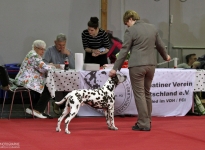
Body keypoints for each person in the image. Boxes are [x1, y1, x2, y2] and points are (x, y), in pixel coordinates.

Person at [109, 10, 171, 131]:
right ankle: (147, 120)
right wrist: (166, 56)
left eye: (127, 23)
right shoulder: (152, 28)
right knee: (147, 93)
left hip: (137, 66)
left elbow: (124, 50)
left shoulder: (131, 30)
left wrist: (115, 68)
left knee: (140, 94)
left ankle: (143, 123)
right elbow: (160, 45)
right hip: (151, 65)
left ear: (131, 19)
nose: (127, 25)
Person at [14, 40, 55, 119]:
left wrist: (48, 65)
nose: (43, 51)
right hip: (25, 81)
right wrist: (53, 66)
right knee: (48, 88)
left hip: (26, 80)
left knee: (42, 86)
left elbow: (41, 66)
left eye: (44, 49)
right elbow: (44, 68)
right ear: (35, 48)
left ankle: (31, 108)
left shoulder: (33, 54)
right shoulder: (34, 55)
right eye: (41, 49)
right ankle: (38, 110)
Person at [43, 33, 75, 115]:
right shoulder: (50, 50)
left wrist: (68, 54)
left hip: (66, 76)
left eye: (63, 45)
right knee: (58, 84)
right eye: (59, 45)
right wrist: (53, 65)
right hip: (54, 76)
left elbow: (74, 66)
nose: (61, 47)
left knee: (71, 85)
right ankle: (58, 104)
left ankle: (62, 105)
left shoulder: (68, 51)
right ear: (55, 42)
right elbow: (44, 63)